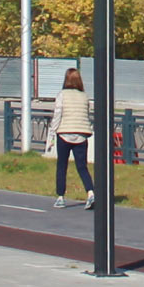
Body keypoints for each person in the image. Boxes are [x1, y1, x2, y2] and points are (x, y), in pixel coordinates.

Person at [49, 67, 94, 207]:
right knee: (82, 166)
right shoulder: (84, 96)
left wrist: (52, 132)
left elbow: (58, 114)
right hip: (81, 134)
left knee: (62, 166)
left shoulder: (62, 95)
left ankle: (60, 197)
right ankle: (90, 192)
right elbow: (87, 114)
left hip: (64, 133)